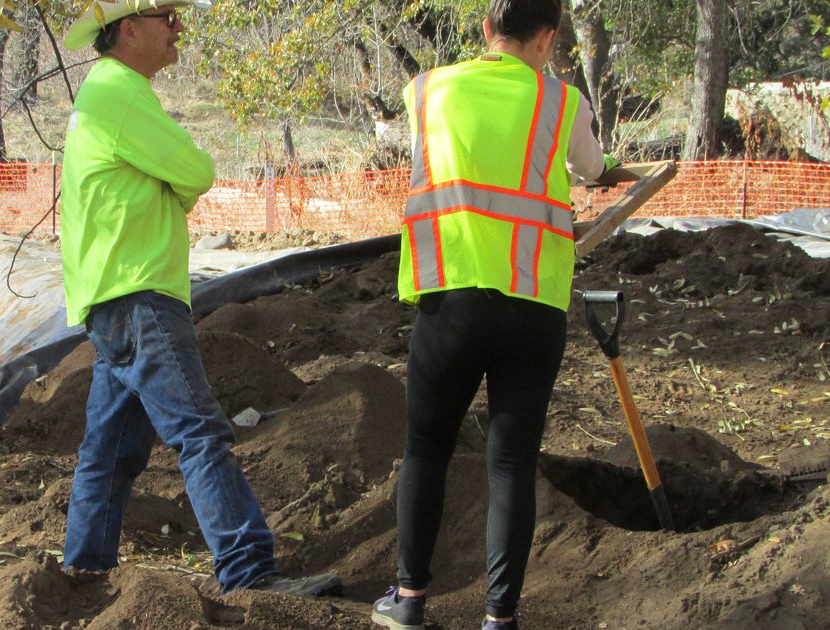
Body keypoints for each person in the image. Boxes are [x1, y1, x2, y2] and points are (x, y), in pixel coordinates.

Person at [57, 0, 342, 598]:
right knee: (200, 433)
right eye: (167, 16)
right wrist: (171, 186)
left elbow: (177, 175)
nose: (178, 26)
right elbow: (196, 169)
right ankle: (250, 573)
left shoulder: (99, 92)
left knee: (107, 455)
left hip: (108, 302)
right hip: (141, 295)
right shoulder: (122, 92)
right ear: (129, 30)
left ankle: (80, 580)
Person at [370, 1, 617, 629]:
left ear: (486, 30)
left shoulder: (427, 89)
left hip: (450, 296)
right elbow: (593, 169)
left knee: (426, 448)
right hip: (533, 305)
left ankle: (408, 601)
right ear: (550, 37)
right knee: (511, 462)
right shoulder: (562, 104)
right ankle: (500, 618)